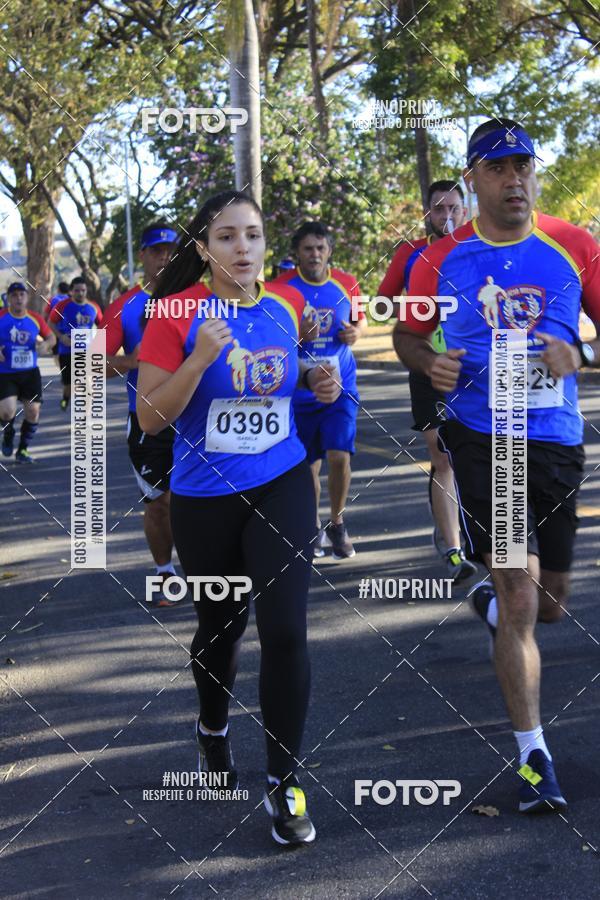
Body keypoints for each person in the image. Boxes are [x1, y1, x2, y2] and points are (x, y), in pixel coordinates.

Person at [393, 118, 600, 812]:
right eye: (500, 168)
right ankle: (533, 754)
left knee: (549, 605)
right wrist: (429, 360)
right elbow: (406, 331)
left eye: (524, 166)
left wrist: (585, 355)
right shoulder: (440, 258)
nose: (516, 179)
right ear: (474, 177)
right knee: (518, 591)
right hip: (488, 438)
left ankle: (490, 605)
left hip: (557, 439)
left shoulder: (574, 246)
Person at [137, 190, 340, 845]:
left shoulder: (287, 306)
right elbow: (150, 416)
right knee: (221, 631)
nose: (242, 248)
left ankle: (284, 783)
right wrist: (197, 357)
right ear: (204, 249)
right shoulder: (175, 312)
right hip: (204, 497)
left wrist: (319, 381)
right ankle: (212, 726)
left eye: (251, 235)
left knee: (285, 630)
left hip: (281, 481)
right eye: (226, 237)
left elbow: (297, 382)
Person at [382, 180, 476, 584]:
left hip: (477, 368)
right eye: (440, 209)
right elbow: (384, 301)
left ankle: (487, 535)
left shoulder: (480, 246)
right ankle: (454, 550)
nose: (448, 216)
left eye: (454, 208)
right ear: (428, 213)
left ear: (466, 210)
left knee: (482, 449)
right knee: (442, 455)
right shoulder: (410, 253)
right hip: (428, 365)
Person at [276, 221, 367, 560]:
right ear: (296, 254)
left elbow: (361, 318)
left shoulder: (346, 283)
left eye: (320, 248)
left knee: (339, 456)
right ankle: (312, 526)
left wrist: (356, 332)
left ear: (329, 251)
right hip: (299, 391)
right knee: (308, 466)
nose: (314, 255)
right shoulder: (282, 288)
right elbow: (271, 336)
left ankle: (337, 521)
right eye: (307, 249)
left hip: (341, 386)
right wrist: (299, 336)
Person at [103, 222, 180, 607]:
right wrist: (130, 361)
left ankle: (212, 572)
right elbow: (90, 363)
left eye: (171, 250)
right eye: (156, 251)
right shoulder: (126, 305)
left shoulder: (198, 298)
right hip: (148, 420)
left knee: (206, 499)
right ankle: (165, 571)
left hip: (197, 420)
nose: (164, 257)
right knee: (160, 503)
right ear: (145, 257)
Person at [0, 282, 55, 462]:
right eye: (14, 295)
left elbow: (51, 337)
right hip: (6, 373)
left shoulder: (35, 318)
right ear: (8, 298)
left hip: (30, 373)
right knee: (8, 412)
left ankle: (23, 450)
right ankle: (8, 432)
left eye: (21, 295)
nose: (18, 298)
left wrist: (46, 345)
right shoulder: (1, 317)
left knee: (32, 412)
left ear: (27, 298)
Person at [49, 277, 103, 410]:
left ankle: (86, 418)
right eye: (77, 290)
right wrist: (61, 337)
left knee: (88, 384)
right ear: (71, 291)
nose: (80, 293)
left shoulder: (93, 307)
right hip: (67, 351)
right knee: (70, 385)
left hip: (86, 352)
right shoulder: (62, 305)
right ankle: (65, 398)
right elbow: (51, 323)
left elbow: (102, 326)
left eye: (83, 290)